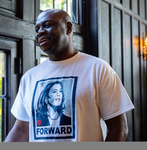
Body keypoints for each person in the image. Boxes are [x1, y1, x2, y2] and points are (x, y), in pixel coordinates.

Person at [4, 9, 134, 142]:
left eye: (47, 25)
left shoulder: (98, 68)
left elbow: (119, 128)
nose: (40, 32)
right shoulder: (29, 77)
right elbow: (21, 130)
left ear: (68, 27)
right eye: (37, 29)